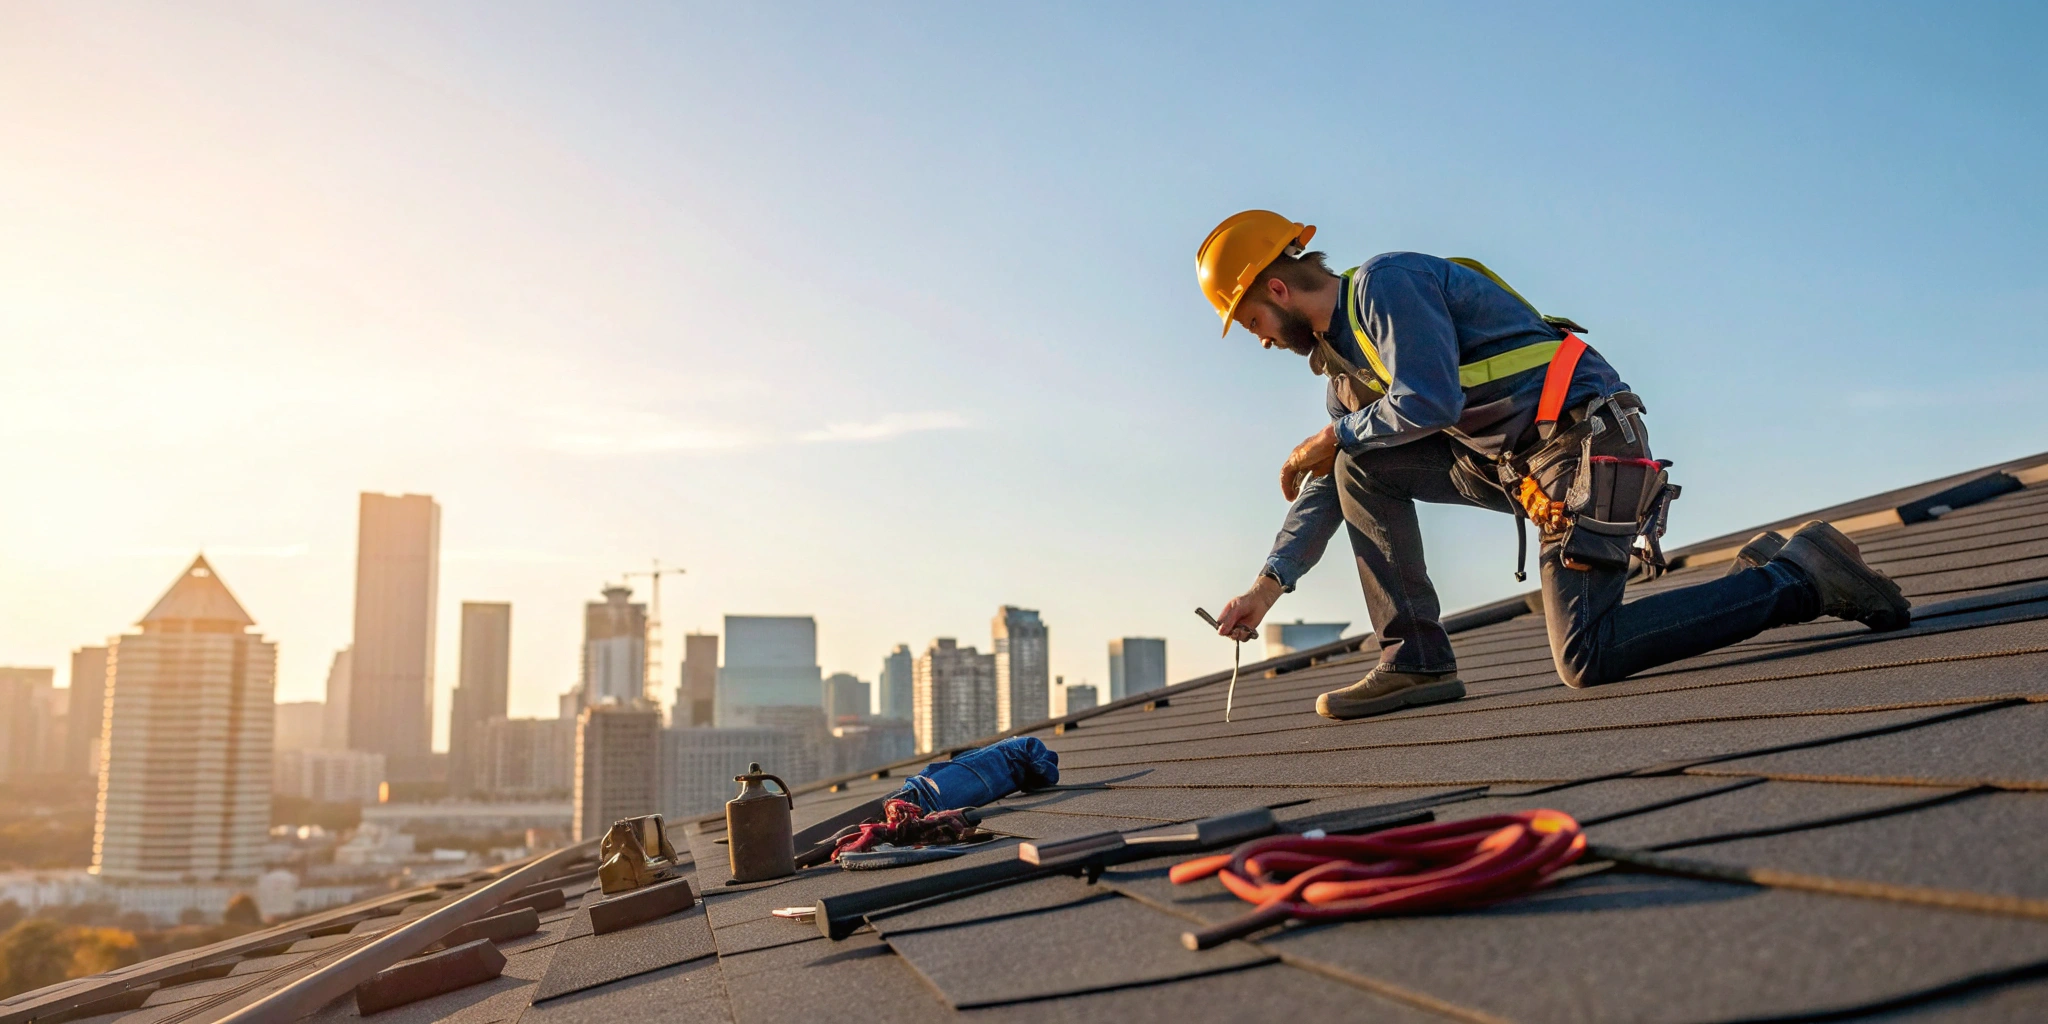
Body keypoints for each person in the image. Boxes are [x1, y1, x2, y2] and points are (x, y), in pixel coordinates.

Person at [1201, 211, 1910, 720]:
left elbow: (1431, 398)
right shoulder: (1342, 375)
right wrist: (1269, 587)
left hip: (1584, 446)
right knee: (1357, 465)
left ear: (1275, 288)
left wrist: (1335, 440)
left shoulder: (1385, 288)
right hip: (1518, 470)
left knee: (1588, 656)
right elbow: (1343, 472)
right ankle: (1415, 657)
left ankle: (1798, 578)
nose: (1261, 341)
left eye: (1253, 323)